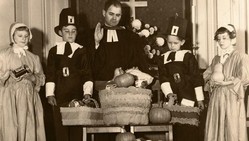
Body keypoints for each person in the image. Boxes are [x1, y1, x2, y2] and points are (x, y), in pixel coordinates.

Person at [45, 8, 93, 141]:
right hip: (59, 97)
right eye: (66, 31)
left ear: (77, 32)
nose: (70, 34)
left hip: (77, 97)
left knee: (77, 129)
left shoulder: (82, 51)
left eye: (73, 31)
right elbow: (50, 73)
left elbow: (87, 74)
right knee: (60, 130)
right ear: (60, 32)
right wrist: (50, 94)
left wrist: (87, 93)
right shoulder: (54, 51)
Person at [86, 0, 150, 91]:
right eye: (111, 14)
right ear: (104, 13)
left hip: (124, 84)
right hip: (101, 83)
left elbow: (136, 61)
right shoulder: (91, 34)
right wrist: (97, 43)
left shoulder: (129, 36)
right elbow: (89, 64)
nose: (114, 18)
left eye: (118, 15)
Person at [159, 16, 204, 141]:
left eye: (176, 43)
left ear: (182, 42)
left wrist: (200, 99)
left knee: (189, 127)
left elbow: (196, 77)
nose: (172, 46)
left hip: (188, 95)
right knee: (174, 127)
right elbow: (163, 78)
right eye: (169, 43)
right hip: (173, 96)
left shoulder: (188, 56)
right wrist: (169, 94)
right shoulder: (163, 57)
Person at [0, 22, 46, 141]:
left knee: (28, 127)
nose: (23, 39)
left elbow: (41, 77)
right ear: (13, 36)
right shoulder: (3, 55)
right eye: (20, 36)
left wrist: (32, 78)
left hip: (28, 97)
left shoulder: (33, 57)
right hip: (9, 97)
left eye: (26, 36)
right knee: (10, 129)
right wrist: (7, 75)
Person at [203, 24, 249, 141]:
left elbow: (244, 77)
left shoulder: (240, 56)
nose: (221, 42)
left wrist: (226, 83)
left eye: (224, 38)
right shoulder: (216, 59)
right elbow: (207, 75)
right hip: (217, 98)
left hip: (231, 97)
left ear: (232, 39)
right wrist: (212, 81)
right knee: (216, 128)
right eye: (219, 39)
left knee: (231, 128)